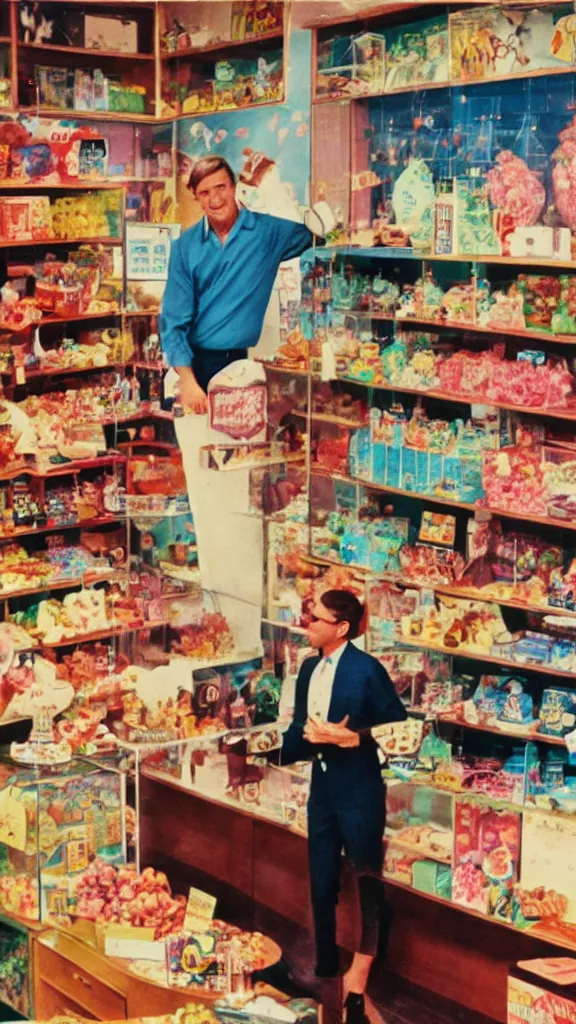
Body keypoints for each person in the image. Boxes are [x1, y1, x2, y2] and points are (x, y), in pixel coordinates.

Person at [280, 589, 407, 1023]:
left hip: (360, 789)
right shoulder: (308, 668)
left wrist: (355, 738)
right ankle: (325, 973)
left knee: (368, 879)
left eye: (315, 618)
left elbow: (399, 727)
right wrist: (267, 750)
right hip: (322, 788)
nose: (307, 623)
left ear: (341, 628)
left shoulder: (367, 671)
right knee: (321, 878)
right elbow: (300, 729)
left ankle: (362, 975)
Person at [160, 154, 314, 410]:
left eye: (220, 188)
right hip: (194, 369)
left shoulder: (267, 232)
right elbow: (174, 321)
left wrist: (269, 186)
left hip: (241, 366)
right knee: (196, 448)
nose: (215, 199)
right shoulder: (184, 247)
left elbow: (316, 232)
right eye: (205, 192)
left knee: (240, 447)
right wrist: (187, 381)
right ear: (196, 198)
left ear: (233, 187)